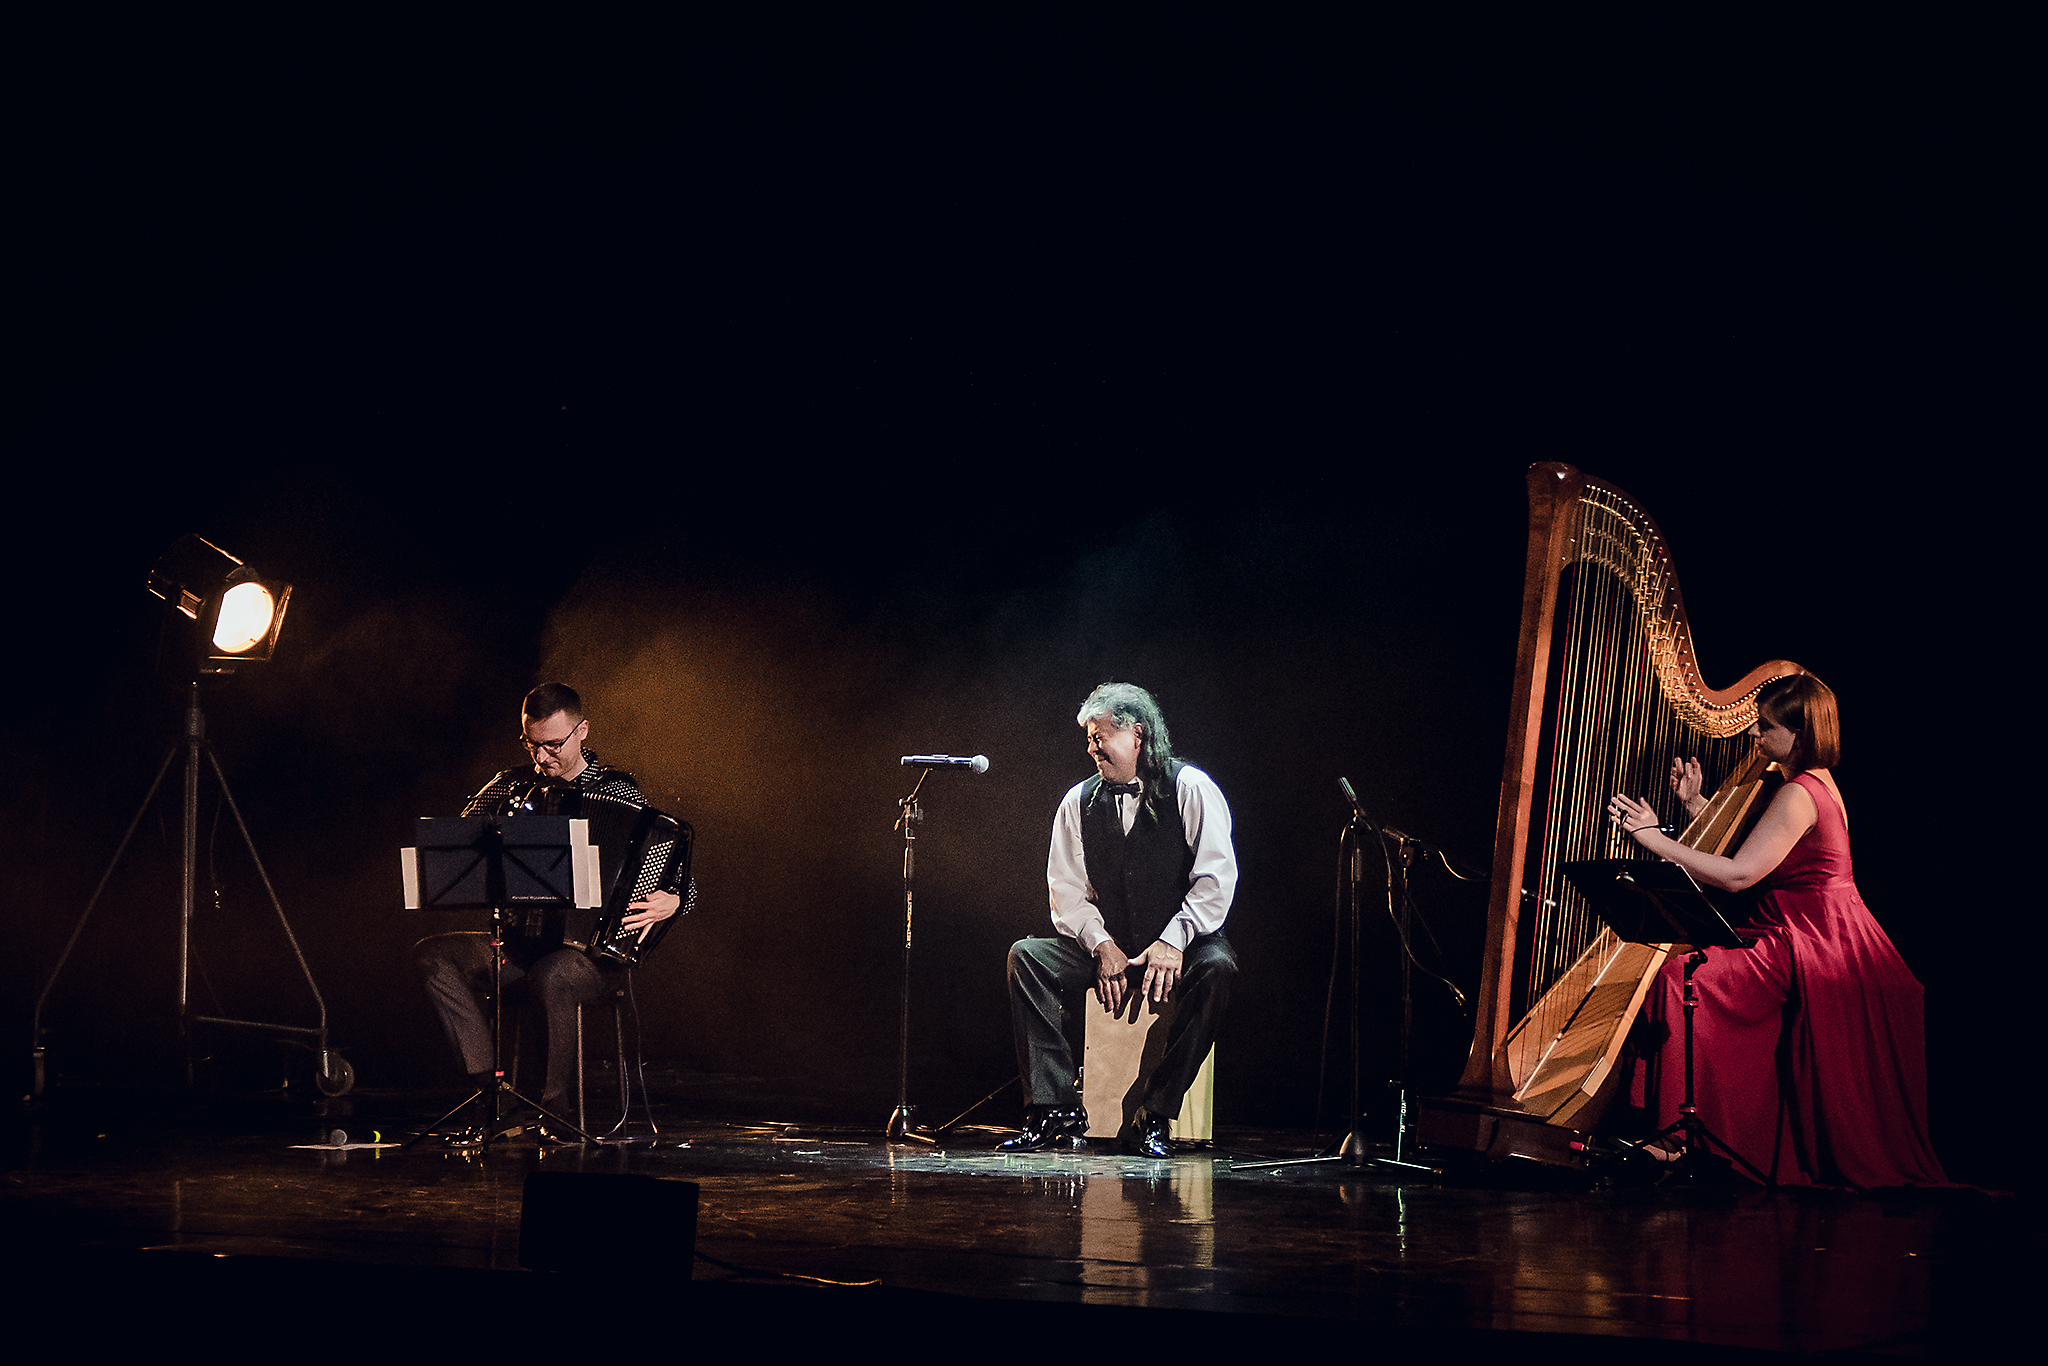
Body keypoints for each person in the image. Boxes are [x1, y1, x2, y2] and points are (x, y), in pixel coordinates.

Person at [1608, 672, 1946, 1188]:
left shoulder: (1797, 794)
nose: (1753, 734)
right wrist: (1697, 807)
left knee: (1683, 979)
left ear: (1799, 733)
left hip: (1809, 938)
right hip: (1813, 927)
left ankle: (1680, 1140)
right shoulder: (1811, 784)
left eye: (1765, 727)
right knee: (1687, 974)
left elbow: (1739, 875)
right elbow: (1768, 850)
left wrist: (1653, 839)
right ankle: (1700, 1132)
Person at [413, 683, 691, 1139]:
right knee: (433, 956)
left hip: (588, 958)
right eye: (532, 744)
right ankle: (494, 1094)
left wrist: (675, 899)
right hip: (518, 946)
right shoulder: (511, 784)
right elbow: (456, 845)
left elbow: (673, 868)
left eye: (553, 745)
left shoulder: (619, 792)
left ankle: (554, 1108)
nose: (542, 757)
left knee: (554, 974)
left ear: (582, 731)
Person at [1002, 682, 1238, 1157]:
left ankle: (1157, 1112)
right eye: (1089, 739)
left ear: (1137, 734)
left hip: (1180, 944)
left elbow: (1216, 879)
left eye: (1100, 736)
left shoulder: (1190, 787)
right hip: (1111, 947)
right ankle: (1055, 1110)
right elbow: (1067, 892)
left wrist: (1173, 940)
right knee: (1027, 958)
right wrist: (1101, 944)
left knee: (1218, 968)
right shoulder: (1078, 801)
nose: (1092, 748)